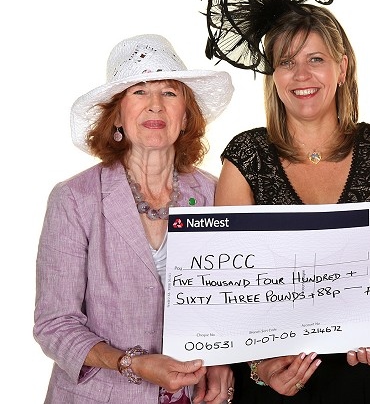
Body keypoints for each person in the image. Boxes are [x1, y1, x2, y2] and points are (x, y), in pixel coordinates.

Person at [196, 0, 370, 404]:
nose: (302, 74)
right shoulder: (246, 155)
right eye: (286, 62)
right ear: (272, 77)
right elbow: (224, 289)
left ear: (341, 68)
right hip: (279, 388)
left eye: (315, 59)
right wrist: (259, 368)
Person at [33, 34, 236, 404]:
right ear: (118, 115)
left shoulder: (216, 194)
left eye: (170, 93)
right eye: (139, 92)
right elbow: (54, 324)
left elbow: (234, 301)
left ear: (186, 115)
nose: (155, 106)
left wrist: (223, 362)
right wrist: (133, 364)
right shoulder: (75, 199)